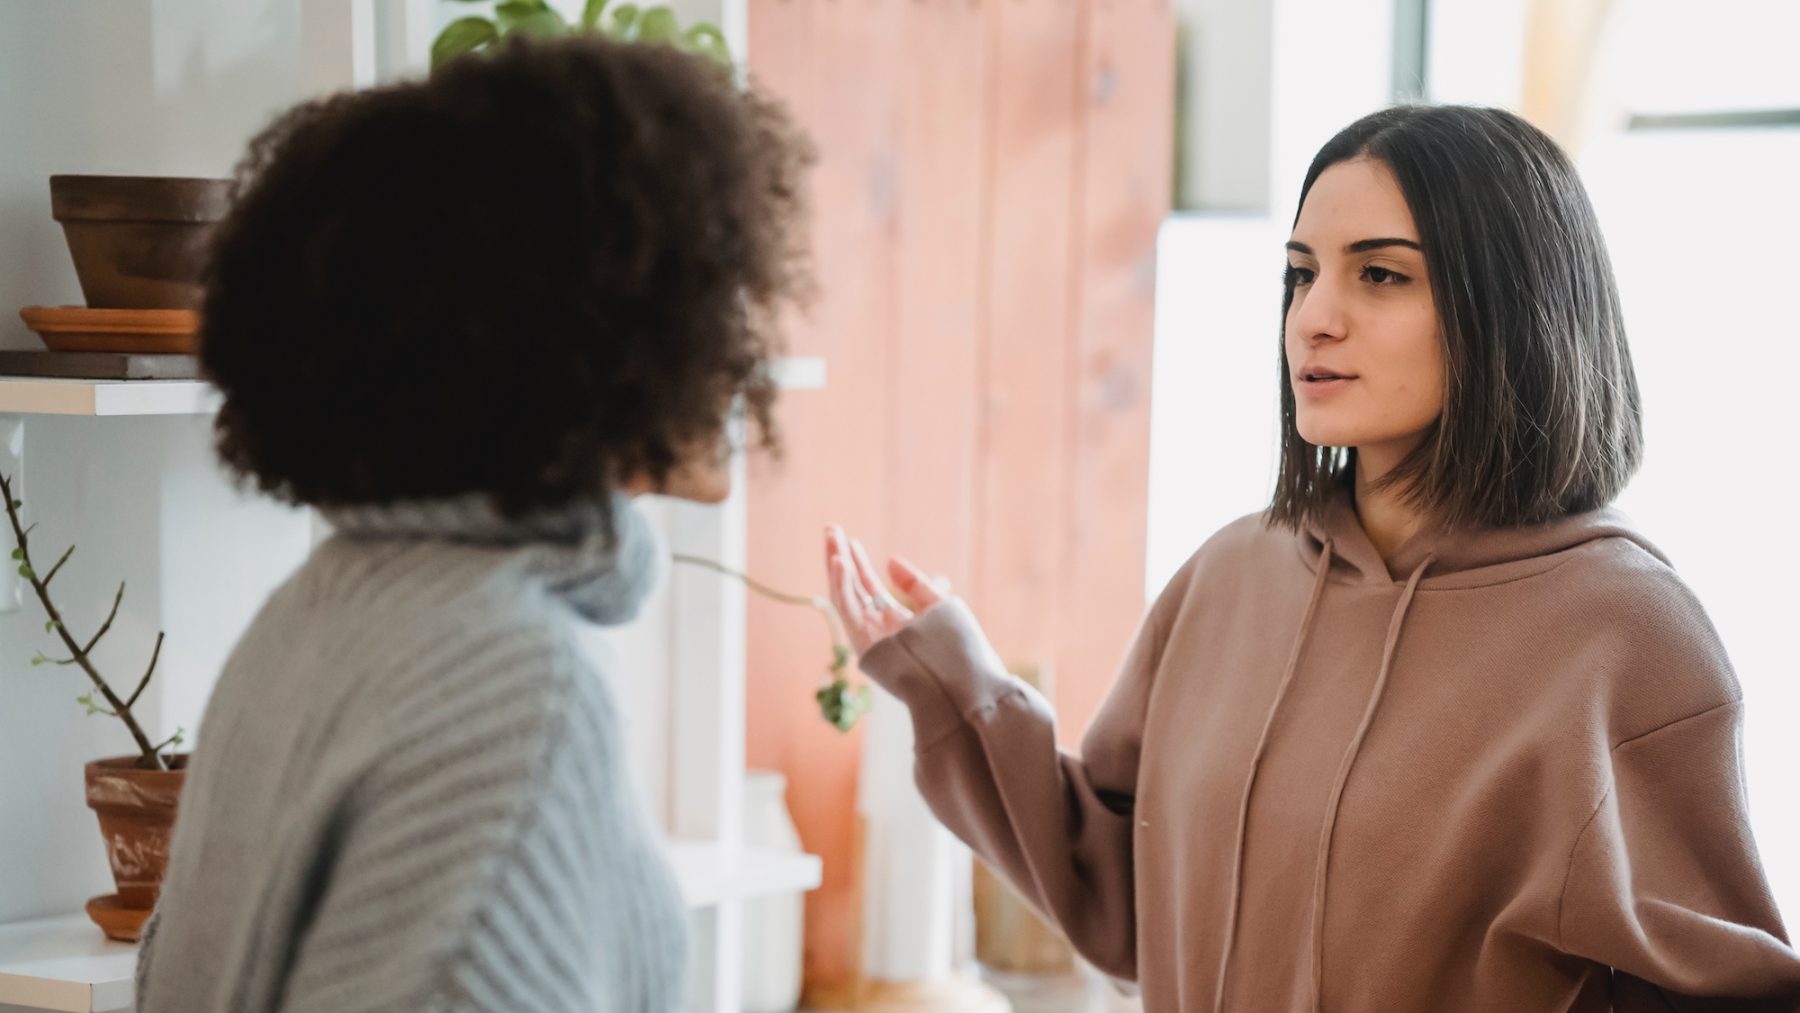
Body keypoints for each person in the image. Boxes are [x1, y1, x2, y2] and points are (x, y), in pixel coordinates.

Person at [824, 104, 1800, 1011]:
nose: (1314, 316)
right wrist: (957, 681)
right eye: (1302, 272)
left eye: (1380, 274)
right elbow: (1122, 890)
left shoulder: (1623, 632)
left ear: (1510, 306)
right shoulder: (1229, 577)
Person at [136, 35, 810, 1012]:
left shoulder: (317, 610)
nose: (740, 344)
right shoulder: (518, 685)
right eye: (709, 292)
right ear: (587, 326)